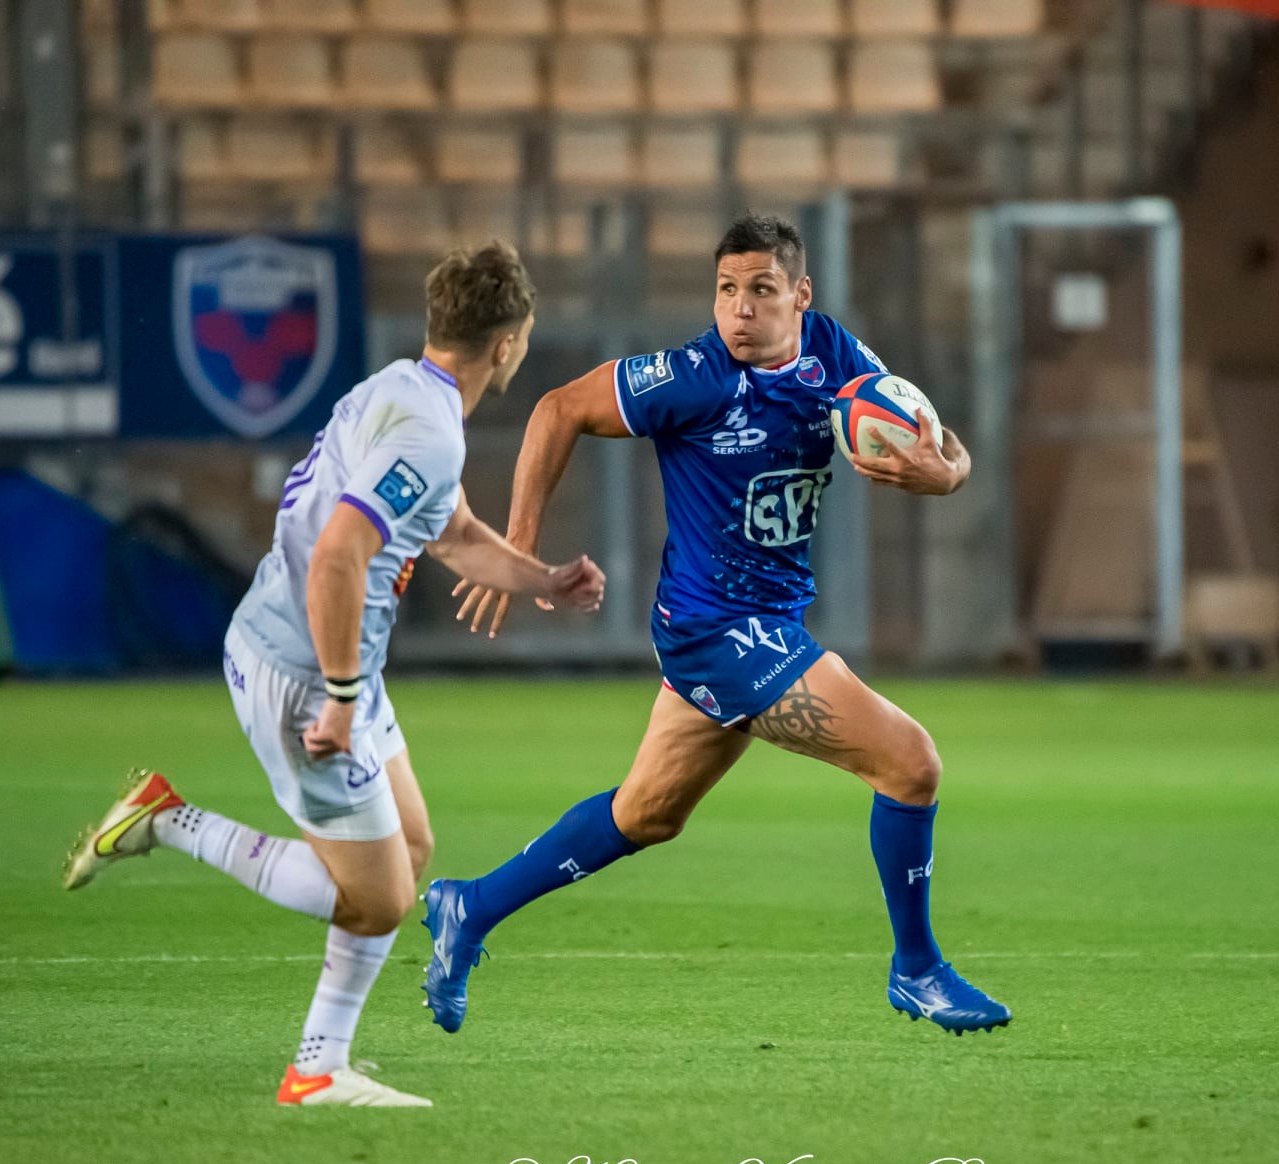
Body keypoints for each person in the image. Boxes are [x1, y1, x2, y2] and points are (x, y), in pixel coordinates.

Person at [420, 214, 1011, 1037]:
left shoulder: (835, 354)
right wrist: (518, 547)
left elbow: (938, 439)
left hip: (763, 623)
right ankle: (918, 970)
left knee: (646, 815)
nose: (739, 309)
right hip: (719, 631)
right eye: (727, 290)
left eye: (760, 290)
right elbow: (557, 409)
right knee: (911, 764)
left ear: (800, 295)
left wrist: (944, 475)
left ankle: (469, 907)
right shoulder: (690, 376)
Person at [62, 244, 607, 1104]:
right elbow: (338, 557)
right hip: (307, 672)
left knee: (411, 848)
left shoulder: (402, 391)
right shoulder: (429, 432)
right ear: (508, 345)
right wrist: (345, 696)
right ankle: (306, 1053)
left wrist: (542, 579)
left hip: (325, 655)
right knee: (381, 898)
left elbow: (452, 532)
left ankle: (319, 1056)